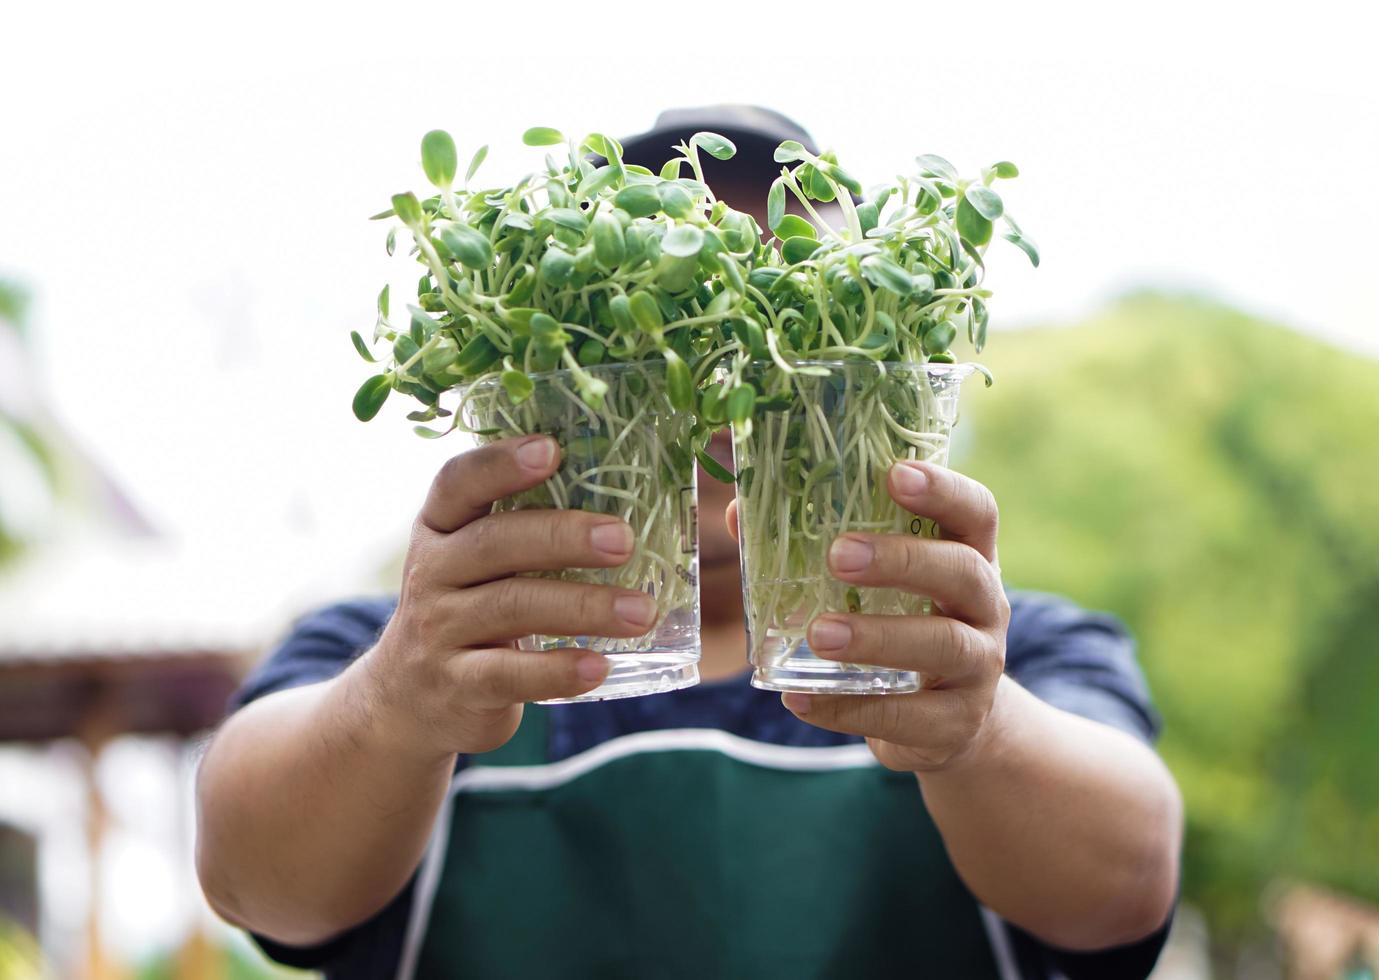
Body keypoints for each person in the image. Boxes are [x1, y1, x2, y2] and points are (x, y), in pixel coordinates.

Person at [195, 106, 1183, 979]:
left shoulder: (993, 650)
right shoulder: (423, 646)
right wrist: (396, 702)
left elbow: (1125, 885)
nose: (728, 367)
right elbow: (249, 876)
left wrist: (979, 729)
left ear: (877, 363)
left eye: (792, 307)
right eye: (674, 300)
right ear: (559, 351)